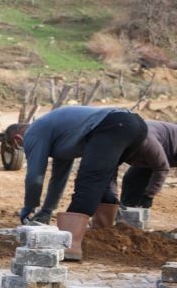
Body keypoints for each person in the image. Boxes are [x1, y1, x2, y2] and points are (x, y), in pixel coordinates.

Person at [19, 106, 147, 261]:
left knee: (89, 182)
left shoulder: (33, 132)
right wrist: (47, 210)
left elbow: (35, 176)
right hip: (136, 126)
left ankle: (68, 247)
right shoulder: (60, 134)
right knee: (103, 179)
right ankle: (102, 235)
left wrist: (30, 205)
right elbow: (58, 179)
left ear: (17, 140)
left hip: (112, 125)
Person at [120, 120, 177, 208]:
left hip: (170, 146)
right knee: (131, 179)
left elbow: (161, 169)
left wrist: (149, 196)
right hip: (154, 150)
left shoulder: (147, 142)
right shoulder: (116, 145)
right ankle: (128, 210)